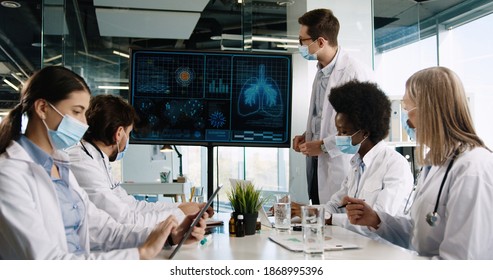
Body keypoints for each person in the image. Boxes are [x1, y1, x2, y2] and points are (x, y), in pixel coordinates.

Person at [0, 66, 206, 259]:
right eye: (77, 111)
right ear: (43, 108)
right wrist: (140, 254)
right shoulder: (8, 174)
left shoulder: (59, 167)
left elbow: (104, 229)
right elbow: (47, 261)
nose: (83, 123)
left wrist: (170, 236)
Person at [345, 66, 493, 259]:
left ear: (430, 110)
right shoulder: (435, 162)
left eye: (407, 110)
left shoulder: (472, 169)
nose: (406, 120)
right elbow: (419, 234)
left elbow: (461, 262)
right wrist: (376, 219)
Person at [67, 94, 213, 227]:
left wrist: (181, 207)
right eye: (129, 133)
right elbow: (126, 220)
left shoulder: (98, 159)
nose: (128, 139)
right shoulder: (82, 163)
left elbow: (133, 206)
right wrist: (180, 214)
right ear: (118, 134)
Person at [292, 80, 414, 240]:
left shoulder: (395, 165)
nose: (338, 138)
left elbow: (377, 221)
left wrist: (325, 217)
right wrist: (305, 212)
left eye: (344, 132)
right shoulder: (356, 163)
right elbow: (334, 205)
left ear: (364, 133)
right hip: (357, 246)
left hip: (384, 251)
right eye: (338, 131)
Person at [292, 8, 374, 204]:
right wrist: (309, 135)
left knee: (335, 225)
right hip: (317, 171)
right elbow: (325, 117)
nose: (300, 46)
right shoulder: (320, 71)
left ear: (320, 42)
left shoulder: (354, 73)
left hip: (340, 170)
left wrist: (322, 145)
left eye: (302, 41)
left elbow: (360, 130)